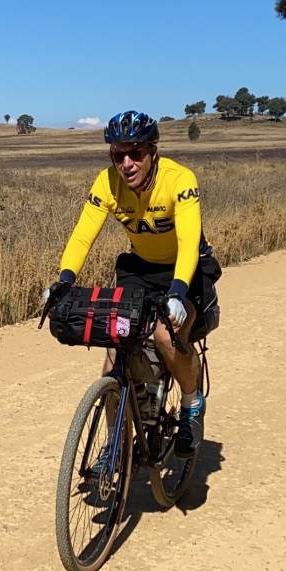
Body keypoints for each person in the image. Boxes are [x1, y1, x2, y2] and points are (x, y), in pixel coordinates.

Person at [46, 110, 220, 458]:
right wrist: (64, 279)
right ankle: (115, 447)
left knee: (163, 334)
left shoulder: (180, 179)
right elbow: (83, 236)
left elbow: (188, 242)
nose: (126, 163)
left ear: (153, 152)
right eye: (117, 154)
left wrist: (177, 292)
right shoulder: (106, 182)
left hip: (186, 270)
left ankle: (191, 402)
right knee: (115, 341)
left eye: (135, 153)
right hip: (139, 267)